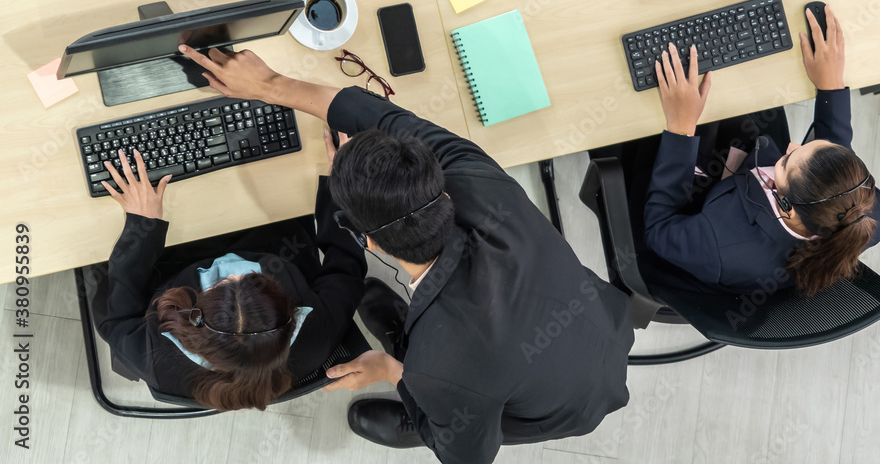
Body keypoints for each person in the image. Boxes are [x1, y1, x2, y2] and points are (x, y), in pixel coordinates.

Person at [177, 43, 634, 464]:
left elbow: (468, 457)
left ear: (368, 242)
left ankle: (414, 412)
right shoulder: (483, 182)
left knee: (442, 412)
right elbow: (395, 121)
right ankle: (404, 338)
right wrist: (272, 86)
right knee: (441, 364)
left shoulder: (442, 364)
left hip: (549, 403)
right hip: (596, 322)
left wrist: (390, 369)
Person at [92, 131, 366, 411]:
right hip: (272, 231)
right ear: (292, 314)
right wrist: (342, 186)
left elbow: (114, 315)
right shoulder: (316, 335)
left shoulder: (156, 359)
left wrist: (142, 227)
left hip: (174, 252)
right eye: (251, 278)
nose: (234, 269)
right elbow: (347, 267)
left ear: (195, 320)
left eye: (222, 284)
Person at [642, 5, 880, 295]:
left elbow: (658, 230)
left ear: (785, 204)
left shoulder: (718, 246)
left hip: (703, 206)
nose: (792, 145)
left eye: (786, 161)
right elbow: (835, 170)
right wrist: (831, 87)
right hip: (746, 168)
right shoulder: (870, 214)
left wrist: (681, 128)